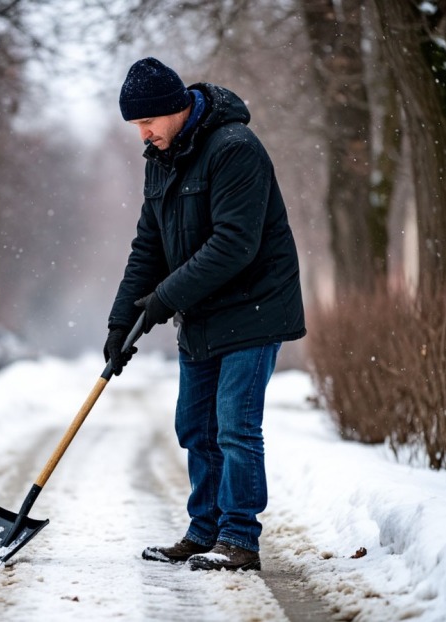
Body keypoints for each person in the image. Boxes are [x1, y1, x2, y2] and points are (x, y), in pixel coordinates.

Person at [104, 57, 306, 572]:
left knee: (235, 426)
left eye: (147, 122)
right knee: (194, 426)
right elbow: (148, 246)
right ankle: (205, 531)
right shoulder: (161, 159)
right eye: (136, 126)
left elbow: (234, 244)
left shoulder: (235, 149)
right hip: (201, 313)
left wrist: (165, 298)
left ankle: (239, 538)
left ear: (175, 109)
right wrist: (120, 322)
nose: (143, 134)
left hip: (254, 307)